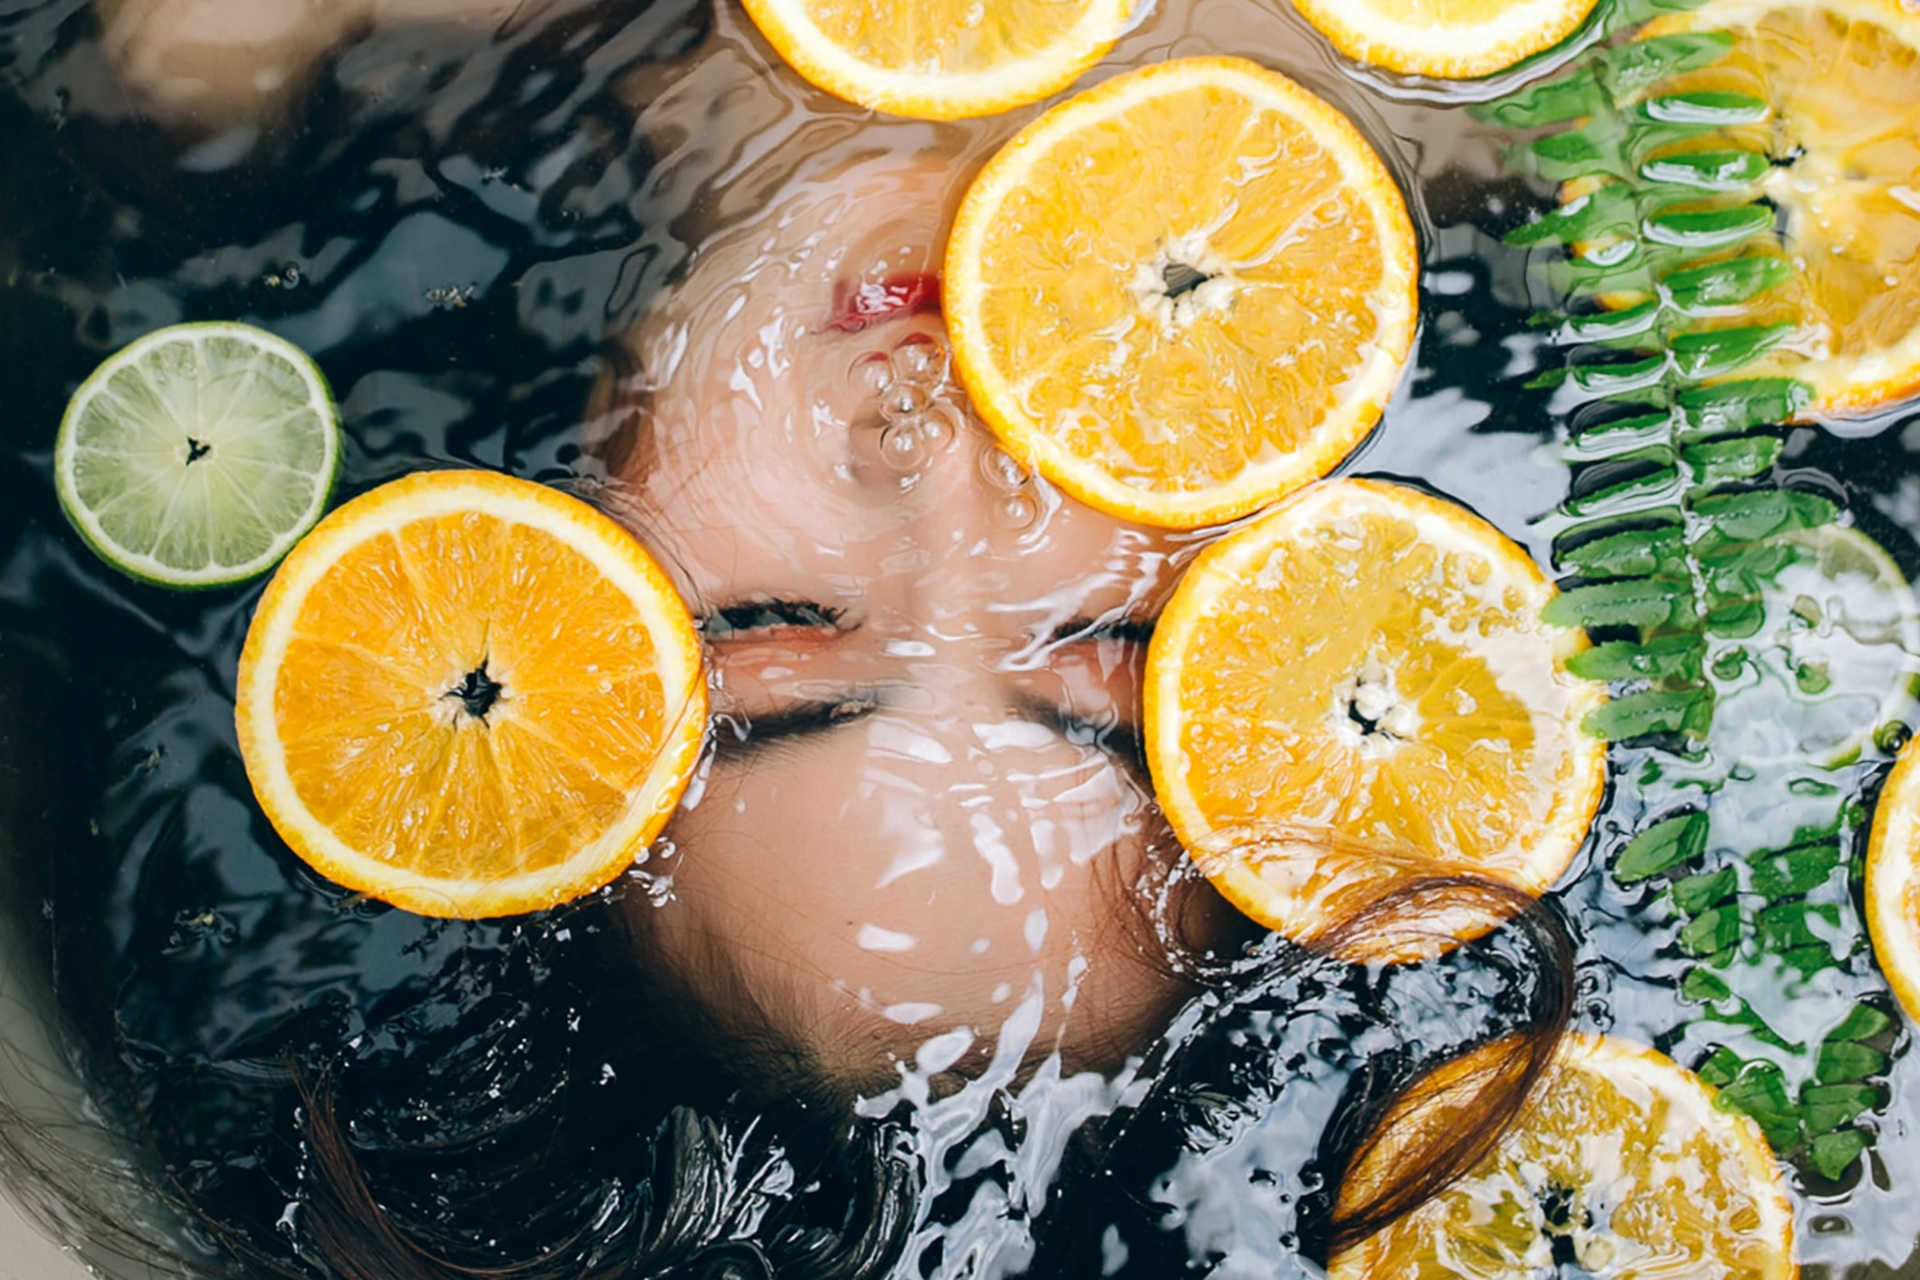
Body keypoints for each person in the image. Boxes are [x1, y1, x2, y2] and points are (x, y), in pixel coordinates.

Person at [6, 3, 1576, 1278]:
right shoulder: (1531, 93)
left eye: (773, 631)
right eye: (1107, 638)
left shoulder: (280, 45)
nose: (951, 467)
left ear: (568, 532)